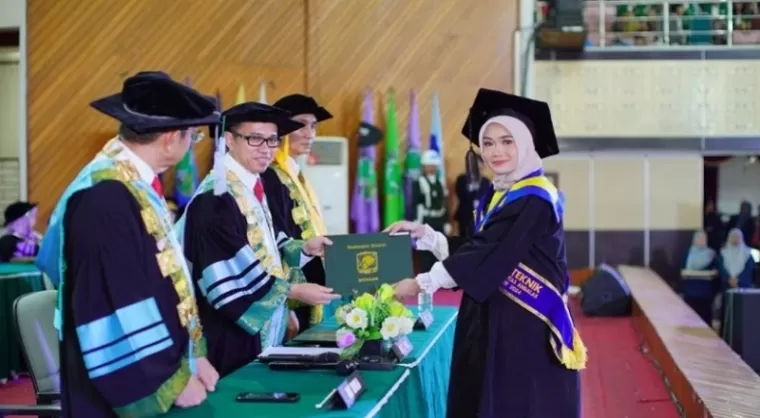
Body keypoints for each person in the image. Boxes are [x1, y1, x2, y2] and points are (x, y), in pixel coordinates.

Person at [389, 88, 585, 418]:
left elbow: (490, 251)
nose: (496, 151)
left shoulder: (534, 197)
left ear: (525, 144)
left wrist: (422, 282)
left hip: (525, 325)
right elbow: (483, 245)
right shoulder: (503, 192)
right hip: (498, 313)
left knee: (517, 402)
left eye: (507, 141)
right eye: (489, 142)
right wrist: (427, 234)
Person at [35, 71, 221, 417]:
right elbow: (117, 301)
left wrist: (191, 358)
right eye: (192, 135)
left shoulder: (132, 186)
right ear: (169, 139)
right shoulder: (104, 199)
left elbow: (158, 281)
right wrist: (170, 380)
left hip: (159, 360)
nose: (191, 144)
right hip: (119, 387)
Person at [176, 101, 340, 377]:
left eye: (273, 140)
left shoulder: (249, 184)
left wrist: (305, 249)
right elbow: (226, 271)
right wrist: (293, 291)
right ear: (229, 139)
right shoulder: (216, 197)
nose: (266, 149)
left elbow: (267, 245)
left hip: (256, 322)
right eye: (255, 139)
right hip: (228, 326)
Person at [261, 94, 332, 333]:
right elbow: (274, 240)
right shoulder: (270, 176)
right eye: (301, 124)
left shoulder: (295, 174)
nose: (310, 133)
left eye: (314, 125)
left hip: (308, 286)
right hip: (290, 290)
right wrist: (287, 304)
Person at [680, 230, 718, 324]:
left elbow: (715, 273)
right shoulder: (687, 253)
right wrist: (705, 274)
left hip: (705, 293)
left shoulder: (711, 254)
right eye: (699, 238)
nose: (701, 240)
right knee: (690, 321)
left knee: (705, 321)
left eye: (703, 238)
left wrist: (692, 274)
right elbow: (683, 272)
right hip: (690, 292)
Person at [412, 150, 450, 234]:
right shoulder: (419, 182)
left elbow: (443, 203)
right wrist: (416, 221)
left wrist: (446, 221)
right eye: (429, 165)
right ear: (424, 166)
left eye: (434, 165)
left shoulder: (439, 182)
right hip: (426, 220)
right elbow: (416, 203)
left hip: (439, 221)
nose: (432, 168)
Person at [454, 155, 490, 238]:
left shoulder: (485, 181)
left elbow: (487, 198)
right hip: (465, 216)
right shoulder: (462, 179)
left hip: (480, 216)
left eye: (479, 163)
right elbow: (460, 194)